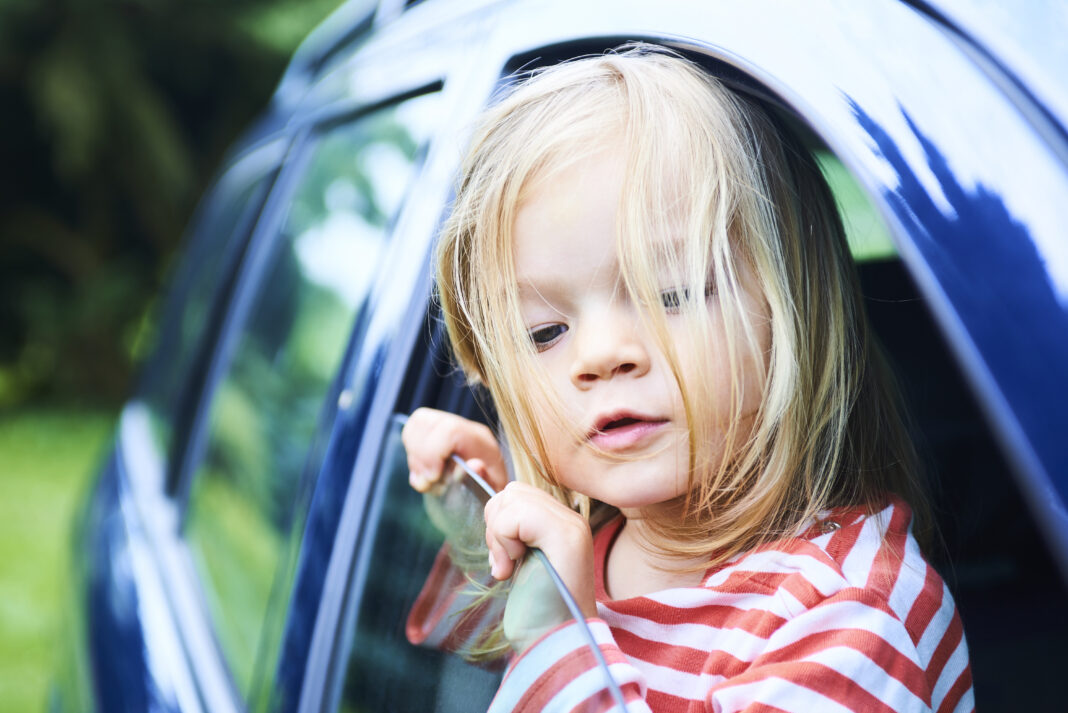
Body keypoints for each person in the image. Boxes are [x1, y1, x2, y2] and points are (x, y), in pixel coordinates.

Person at [402, 45, 973, 712]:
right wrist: (484, 515)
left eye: (671, 292)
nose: (602, 354)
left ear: (797, 305)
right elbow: (486, 664)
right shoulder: (600, 541)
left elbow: (545, 664)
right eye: (543, 332)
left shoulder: (849, 617)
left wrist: (562, 633)